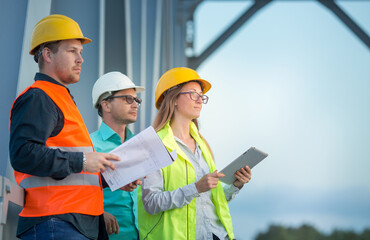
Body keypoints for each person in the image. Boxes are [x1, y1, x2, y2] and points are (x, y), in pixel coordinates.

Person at [9, 14, 135, 240]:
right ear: (47, 54)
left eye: (81, 52)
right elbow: (23, 154)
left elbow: (73, 174)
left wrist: (110, 180)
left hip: (72, 222)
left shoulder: (61, 99)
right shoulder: (39, 97)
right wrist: (85, 161)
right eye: (72, 51)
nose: (81, 59)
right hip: (56, 221)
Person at [138, 67, 252, 240]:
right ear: (173, 98)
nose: (200, 100)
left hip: (218, 235)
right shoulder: (154, 145)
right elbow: (151, 203)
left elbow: (211, 199)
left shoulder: (202, 144)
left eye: (202, 96)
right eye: (193, 94)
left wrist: (235, 185)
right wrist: (196, 188)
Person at [90, 72, 145, 239]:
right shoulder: (88, 146)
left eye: (137, 100)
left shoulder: (142, 145)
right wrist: (97, 214)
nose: (135, 104)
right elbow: (75, 190)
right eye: (128, 99)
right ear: (106, 105)